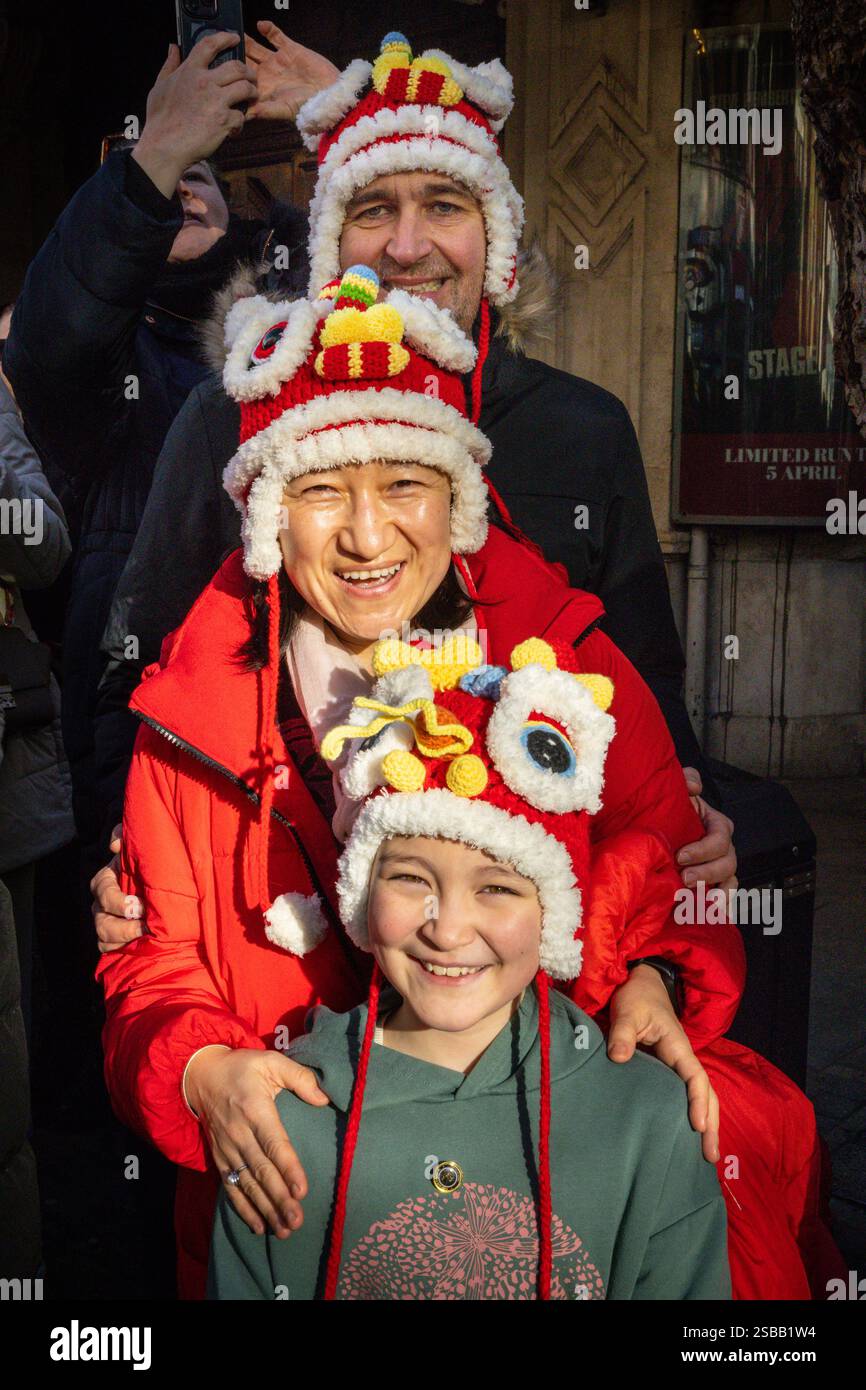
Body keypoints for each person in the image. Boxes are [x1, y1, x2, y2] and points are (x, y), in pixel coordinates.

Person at [96, 261, 840, 1301]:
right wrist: (195, 1069)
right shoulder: (192, 713)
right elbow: (151, 965)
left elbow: (670, 865)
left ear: (459, 495)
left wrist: (658, 975)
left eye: (403, 483)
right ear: (269, 509)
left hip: (557, 1168)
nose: (365, 536)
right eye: (319, 490)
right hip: (312, 1200)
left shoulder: (560, 655)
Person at [93, 28, 734, 889]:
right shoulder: (232, 417)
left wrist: (685, 829)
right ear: (329, 241)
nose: (405, 247)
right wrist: (130, 872)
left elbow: (645, 696)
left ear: (493, 238)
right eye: (371, 210)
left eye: (443, 204)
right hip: (279, 918)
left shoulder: (586, 428)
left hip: (522, 933)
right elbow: (137, 683)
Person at [209, 636, 731, 1300]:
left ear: (555, 913)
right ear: (362, 897)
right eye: (408, 879)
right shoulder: (278, 1131)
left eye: (497, 888)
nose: (448, 929)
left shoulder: (650, 1122)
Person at [3, 25, 312, 875]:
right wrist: (160, 152)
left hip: (306, 700)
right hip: (137, 720)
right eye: (164, 181)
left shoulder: (301, 327)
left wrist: (344, 115)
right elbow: (53, 333)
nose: (184, 190)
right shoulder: (104, 358)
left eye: (200, 177)